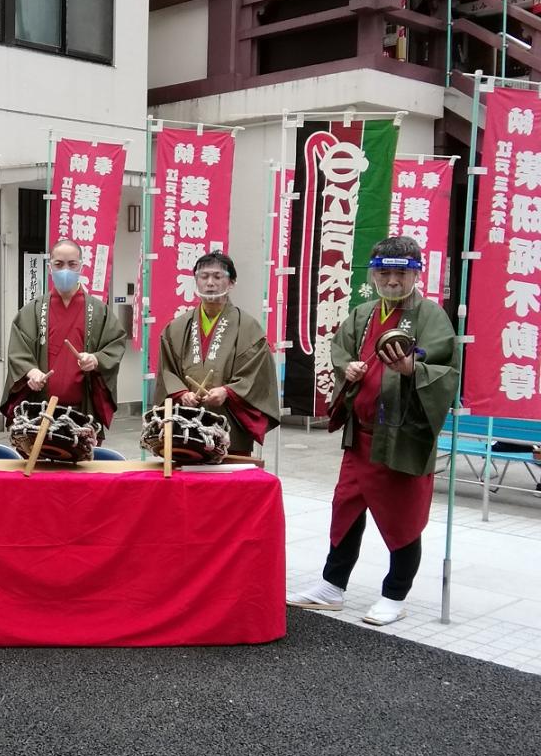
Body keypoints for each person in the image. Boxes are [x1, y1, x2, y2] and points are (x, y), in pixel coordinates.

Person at [287, 236, 459, 626]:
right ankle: (333, 585)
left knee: (403, 517)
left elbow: (446, 370)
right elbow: (340, 350)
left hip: (402, 435)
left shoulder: (431, 317)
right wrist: (347, 369)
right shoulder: (363, 313)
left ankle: (394, 593)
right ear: (374, 275)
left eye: (401, 272)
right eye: (384, 271)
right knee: (345, 508)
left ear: (416, 273)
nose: (392, 280)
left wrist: (412, 369)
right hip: (359, 434)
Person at [153, 250, 280, 455]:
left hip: (229, 424)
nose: (210, 283)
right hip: (187, 424)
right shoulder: (176, 328)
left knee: (228, 482)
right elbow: (167, 371)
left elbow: (258, 376)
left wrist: (228, 392)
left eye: (217, 276)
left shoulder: (248, 328)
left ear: (231, 283)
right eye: (204, 277)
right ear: (196, 281)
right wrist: (181, 393)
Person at [0, 239, 126, 436]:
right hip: (40, 411)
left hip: (83, 412)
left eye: (72, 264)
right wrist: (30, 373)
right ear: (50, 267)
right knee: (39, 464)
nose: (65, 269)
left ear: (81, 267)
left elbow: (115, 344)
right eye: (58, 264)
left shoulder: (99, 311)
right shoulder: (32, 311)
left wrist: (96, 359)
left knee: (81, 464)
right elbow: (18, 351)